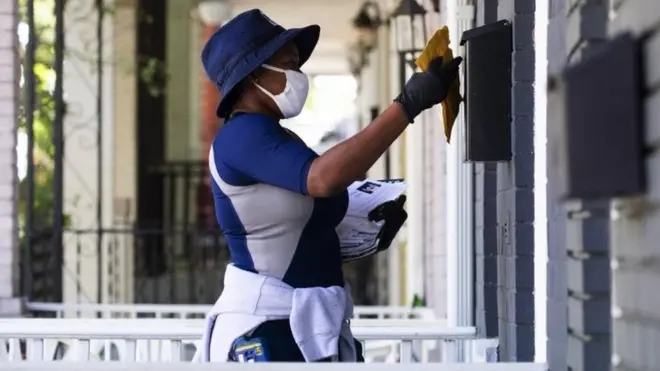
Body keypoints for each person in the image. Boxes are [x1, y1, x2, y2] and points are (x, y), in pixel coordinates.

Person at [195, 8, 462, 363]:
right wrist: (406, 105)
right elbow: (323, 178)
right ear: (254, 74)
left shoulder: (275, 136)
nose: (298, 75)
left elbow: (297, 222)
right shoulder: (242, 135)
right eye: (289, 65)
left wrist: (363, 228)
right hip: (267, 329)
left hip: (295, 324)